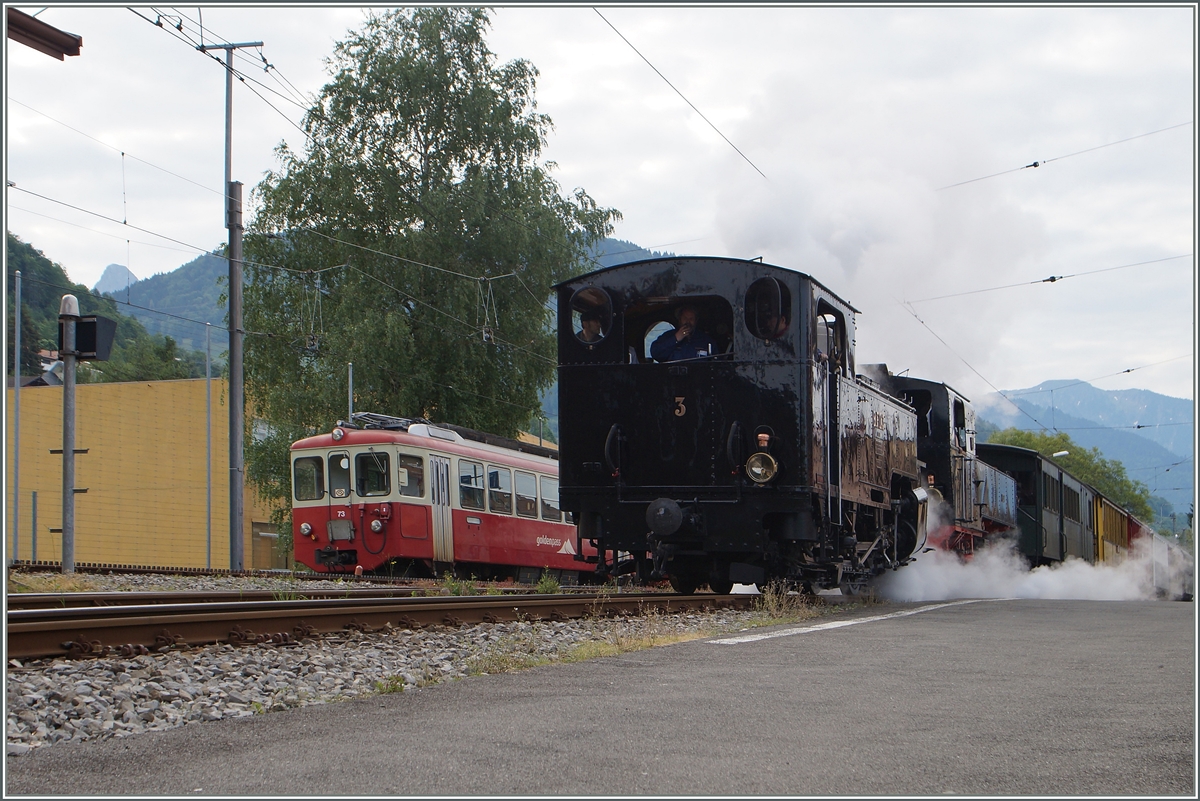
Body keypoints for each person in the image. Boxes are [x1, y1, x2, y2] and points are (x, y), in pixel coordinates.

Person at [650, 305, 716, 362]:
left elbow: (716, 361)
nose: (688, 322)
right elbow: (655, 353)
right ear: (679, 320)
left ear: (696, 321)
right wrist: (676, 338)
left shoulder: (706, 340)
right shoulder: (668, 336)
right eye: (685, 318)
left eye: (691, 319)